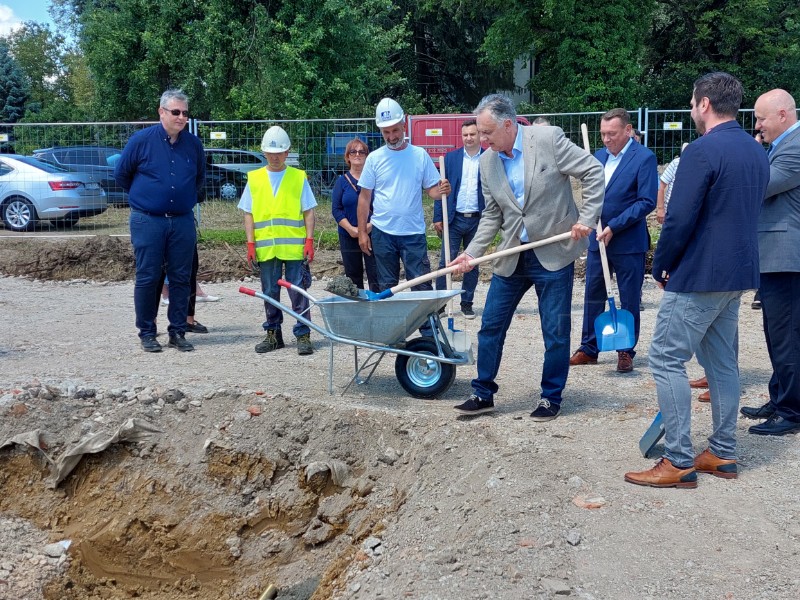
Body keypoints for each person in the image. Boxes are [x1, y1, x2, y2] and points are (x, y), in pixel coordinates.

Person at [624, 72, 769, 488]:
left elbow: (678, 218)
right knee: (722, 362)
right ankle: (722, 451)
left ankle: (679, 460)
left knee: (667, 357)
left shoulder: (702, 151)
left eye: (692, 102)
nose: (691, 109)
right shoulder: (757, 151)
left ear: (704, 103)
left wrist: (660, 263)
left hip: (700, 273)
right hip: (737, 272)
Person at [449, 93, 605, 421]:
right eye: (479, 132)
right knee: (490, 325)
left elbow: (592, 171)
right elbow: (492, 215)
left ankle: (551, 397)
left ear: (509, 125)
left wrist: (586, 219)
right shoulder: (488, 161)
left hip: (553, 252)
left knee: (555, 330)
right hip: (512, 255)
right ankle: (483, 393)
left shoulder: (548, 139)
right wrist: (470, 253)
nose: (481, 139)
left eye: (487, 132)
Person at [114, 88, 205, 353]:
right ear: (161, 112)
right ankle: (147, 331)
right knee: (148, 276)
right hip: (148, 220)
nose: (181, 118)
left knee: (181, 276)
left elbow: (199, 178)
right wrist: (147, 196)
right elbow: (122, 175)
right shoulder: (141, 141)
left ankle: (177, 331)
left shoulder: (193, 144)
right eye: (175, 112)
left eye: (185, 113)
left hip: (182, 221)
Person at [569, 108, 658, 373]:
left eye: (612, 134)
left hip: (628, 241)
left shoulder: (644, 158)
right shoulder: (596, 157)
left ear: (628, 131)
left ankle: (626, 350)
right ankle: (589, 348)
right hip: (598, 239)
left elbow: (646, 201)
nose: (606, 139)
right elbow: (591, 197)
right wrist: (587, 221)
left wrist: (614, 226)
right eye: (603, 134)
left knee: (629, 297)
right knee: (593, 294)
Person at [740, 88, 800, 436]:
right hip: (775, 256)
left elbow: (761, 185)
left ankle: (791, 411)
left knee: (787, 335)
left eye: (761, 118)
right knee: (776, 334)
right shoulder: (781, 145)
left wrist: (748, 152)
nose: (757, 125)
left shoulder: (795, 147)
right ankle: (780, 399)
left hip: (787, 257)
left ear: (782, 114)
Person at [357, 98, 450, 293]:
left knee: (421, 286)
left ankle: (426, 325)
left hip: (413, 234)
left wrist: (441, 191)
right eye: (386, 132)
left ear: (403, 125)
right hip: (383, 233)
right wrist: (363, 233)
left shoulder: (419, 155)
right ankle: (393, 325)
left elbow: (432, 191)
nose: (391, 136)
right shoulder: (375, 159)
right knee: (387, 287)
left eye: (395, 130)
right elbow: (364, 198)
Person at [239, 126, 317, 356]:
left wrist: (309, 241)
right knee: (270, 292)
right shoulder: (254, 179)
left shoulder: (297, 177)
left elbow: (309, 212)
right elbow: (248, 214)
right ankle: (273, 335)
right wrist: (250, 243)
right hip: (266, 248)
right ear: (264, 153)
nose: (274, 156)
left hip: (293, 248)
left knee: (298, 292)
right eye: (271, 153)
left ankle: (303, 334)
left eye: (279, 152)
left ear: (287, 152)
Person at [433, 119, 484, 318]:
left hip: (478, 219)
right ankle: (440, 305)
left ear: (479, 135)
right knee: (446, 262)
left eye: (472, 134)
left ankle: (466, 303)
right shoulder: (451, 158)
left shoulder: (489, 158)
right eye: (465, 135)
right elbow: (441, 188)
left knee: (472, 263)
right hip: (453, 218)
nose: (469, 138)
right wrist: (438, 216)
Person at [331, 138, 378, 292]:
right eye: (353, 151)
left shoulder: (375, 180)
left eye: (361, 151)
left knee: (375, 274)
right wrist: (351, 229)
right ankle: (357, 310)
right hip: (348, 235)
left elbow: (382, 206)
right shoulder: (341, 182)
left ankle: (377, 308)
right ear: (348, 156)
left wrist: (368, 227)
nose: (357, 154)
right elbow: (336, 209)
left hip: (373, 233)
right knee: (353, 275)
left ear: (367, 156)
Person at [655, 142, 689, 225]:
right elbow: (661, 186)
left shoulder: (698, 165)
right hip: (671, 210)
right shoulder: (676, 163)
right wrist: (660, 209)